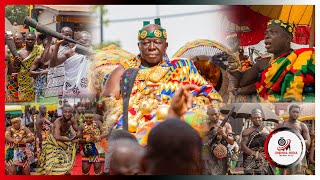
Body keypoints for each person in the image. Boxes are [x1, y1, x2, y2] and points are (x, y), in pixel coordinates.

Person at [100, 18, 222, 145]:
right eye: (146, 43)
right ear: (139, 46)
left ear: (166, 46)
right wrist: (138, 105)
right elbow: (106, 101)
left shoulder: (183, 66)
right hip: (136, 134)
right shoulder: (125, 71)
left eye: (157, 42)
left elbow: (209, 94)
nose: (152, 47)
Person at [227, 19, 315, 102]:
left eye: (273, 32)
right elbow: (242, 81)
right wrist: (233, 52)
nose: (266, 36)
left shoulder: (302, 59)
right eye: (266, 33)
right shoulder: (263, 62)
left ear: (288, 38)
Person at [36, 103, 79, 175]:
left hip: (64, 142)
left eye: (69, 112)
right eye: (65, 112)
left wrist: (79, 136)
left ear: (72, 113)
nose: (67, 114)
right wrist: (71, 140)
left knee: (66, 165)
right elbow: (57, 137)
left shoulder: (72, 120)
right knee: (53, 165)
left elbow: (78, 131)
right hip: (53, 143)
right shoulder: (57, 121)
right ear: (62, 113)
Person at [50, 30, 92, 98]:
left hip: (86, 91)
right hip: (70, 90)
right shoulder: (70, 53)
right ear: (77, 41)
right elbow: (53, 64)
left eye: (89, 41)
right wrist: (57, 45)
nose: (87, 43)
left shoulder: (93, 53)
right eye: (85, 40)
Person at [276, 104, 311, 175]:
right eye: (293, 112)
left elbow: (308, 141)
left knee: (297, 175)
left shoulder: (302, 125)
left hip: (298, 155)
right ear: (289, 112)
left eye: (297, 112)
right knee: (284, 175)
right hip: (284, 154)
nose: (295, 114)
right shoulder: (282, 124)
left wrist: (298, 142)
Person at [240, 108, 273, 175]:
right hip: (251, 159)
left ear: (262, 118)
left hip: (265, 159)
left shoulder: (268, 129)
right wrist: (256, 154)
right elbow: (243, 146)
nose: (257, 119)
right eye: (255, 118)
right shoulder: (247, 131)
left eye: (259, 117)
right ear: (251, 119)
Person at [202, 107, 234, 175]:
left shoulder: (226, 125)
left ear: (219, 114)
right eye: (211, 114)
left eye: (216, 114)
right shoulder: (204, 125)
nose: (214, 116)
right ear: (208, 114)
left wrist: (224, 134)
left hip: (221, 156)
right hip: (206, 156)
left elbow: (231, 142)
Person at [77, 110, 109, 175]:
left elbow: (105, 133)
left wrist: (97, 138)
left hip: (97, 150)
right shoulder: (81, 126)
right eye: (86, 118)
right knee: (85, 169)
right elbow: (79, 140)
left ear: (93, 117)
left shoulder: (98, 123)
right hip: (87, 150)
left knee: (97, 167)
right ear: (84, 118)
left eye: (90, 118)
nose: (88, 119)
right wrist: (87, 140)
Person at [15, 32, 44, 102]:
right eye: (28, 39)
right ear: (25, 40)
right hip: (23, 81)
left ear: (35, 40)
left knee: (36, 101)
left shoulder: (40, 50)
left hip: (36, 79)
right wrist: (16, 63)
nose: (30, 41)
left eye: (32, 39)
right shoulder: (19, 53)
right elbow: (16, 70)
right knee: (24, 102)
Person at [29, 37, 51, 101]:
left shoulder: (58, 57)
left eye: (52, 44)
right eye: (47, 45)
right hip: (42, 89)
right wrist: (43, 72)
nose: (50, 47)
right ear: (44, 47)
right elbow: (30, 73)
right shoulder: (39, 59)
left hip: (54, 88)